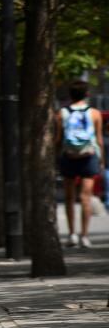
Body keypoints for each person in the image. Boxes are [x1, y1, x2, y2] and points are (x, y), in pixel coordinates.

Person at [57, 80, 104, 248]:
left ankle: (72, 234)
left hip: (68, 156)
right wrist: (101, 160)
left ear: (70, 95)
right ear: (87, 94)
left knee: (69, 197)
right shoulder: (95, 113)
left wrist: (57, 157)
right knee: (86, 197)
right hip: (88, 156)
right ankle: (85, 235)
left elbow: (58, 138)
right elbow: (98, 139)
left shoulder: (62, 113)